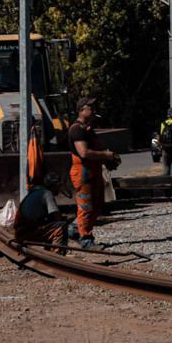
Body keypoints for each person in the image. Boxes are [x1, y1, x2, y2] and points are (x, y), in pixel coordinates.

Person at [68, 96, 121, 249]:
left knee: (96, 206)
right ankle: (86, 239)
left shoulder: (88, 130)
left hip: (93, 171)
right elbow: (84, 153)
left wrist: (108, 159)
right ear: (81, 110)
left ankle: (73, 229)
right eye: (90, 107)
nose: (93, 110)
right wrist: (106, 155)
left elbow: (94, 150)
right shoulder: (77, 130)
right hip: (83, 172)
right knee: (86, 207)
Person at [13, 172, 69, 249]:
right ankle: (56, 255)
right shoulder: (47, 193)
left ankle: (48, 251)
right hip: (28, 232)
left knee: (49, 225)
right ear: (54, 186)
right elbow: (57, 216)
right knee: (61, 226)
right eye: (58, 186)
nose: (59, 190)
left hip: (19, 233)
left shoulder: (34, 192)